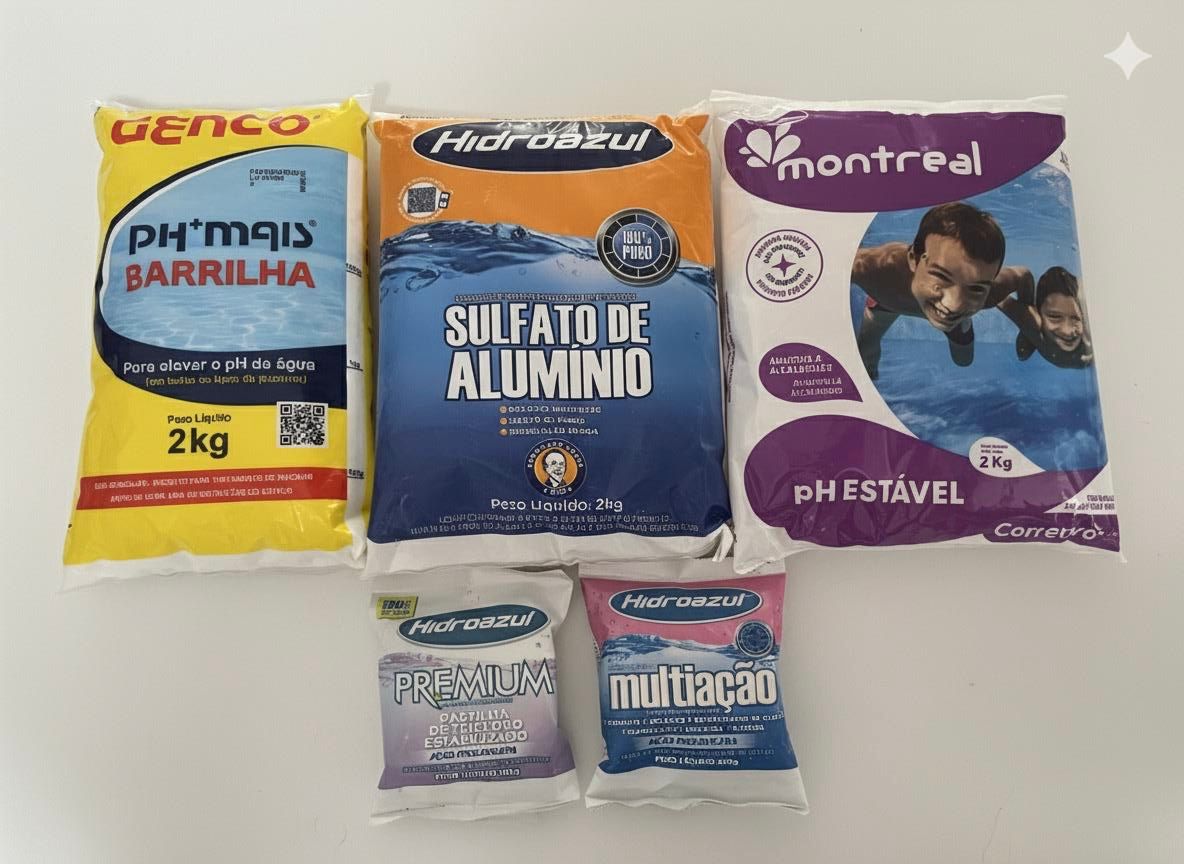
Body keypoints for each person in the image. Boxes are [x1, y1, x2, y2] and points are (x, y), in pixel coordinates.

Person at [852, 202, 1032, 378]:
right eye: (942, 277)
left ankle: (963, 322)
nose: (954, 305)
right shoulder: (875, 269)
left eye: (975, 288)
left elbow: (1024, 276)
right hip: (888, 300)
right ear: (914, 259)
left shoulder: (990, 293)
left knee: (963, 360)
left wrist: (1027, 332)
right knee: (865, 350)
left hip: (954, 319)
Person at [997, 266, 1093, 368]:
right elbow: (998, 295)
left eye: (1075, 318)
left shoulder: (1089, 329)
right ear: (1039, 314)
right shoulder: (1035, 327)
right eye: (1055, 317)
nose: (1067, 331)